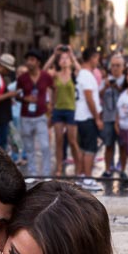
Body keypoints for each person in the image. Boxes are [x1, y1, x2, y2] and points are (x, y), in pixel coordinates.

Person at [16, 50, 53, 184]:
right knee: (29, 146)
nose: (29, 62)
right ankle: (32, 173)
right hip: (26, 115)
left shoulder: (46, 76)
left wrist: (51, 105)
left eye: (32, 59)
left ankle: (46, 174)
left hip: (41, 115)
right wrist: (25, 98)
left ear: (38, 62)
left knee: (45, 146)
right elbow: (17, 95)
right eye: (28, 59)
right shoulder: (22, 78)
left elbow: (54, 88)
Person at [74, 49, 103, 191]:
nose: (98, 61)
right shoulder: (86, 75)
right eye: (97, 58)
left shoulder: (83, 74)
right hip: (87, 117)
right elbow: (89, 97)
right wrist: (97, 117)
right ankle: (87, 178)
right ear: (91, 58)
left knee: (83, 148)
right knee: (89, 148)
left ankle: (80, 176)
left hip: (81, 116)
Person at [49, 47, 79, 176]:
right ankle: (59, 167)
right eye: (62, 58)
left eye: (67, 58)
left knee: (72, 141)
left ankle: (79, 166)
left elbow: (81, 70)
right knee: (59, 140)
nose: (64, 60)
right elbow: (44, 70)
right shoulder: (55, 75)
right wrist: (54, 54)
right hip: (58, 110)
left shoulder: (74, 74)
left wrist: (72, 55)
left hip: (71, 110)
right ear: (59, 61)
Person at [100, 54, 125, 177]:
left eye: (118, 66)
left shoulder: (126, 80)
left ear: (123, 67)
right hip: (108, 117)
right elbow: (98, 95)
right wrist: (105, 86)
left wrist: (118, 87)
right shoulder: (105, 80)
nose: (115, 68)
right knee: (108, 144)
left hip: (123, 119)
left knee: (122, 144)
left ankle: (122, 166)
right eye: (113, 65)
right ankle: (108, 168)